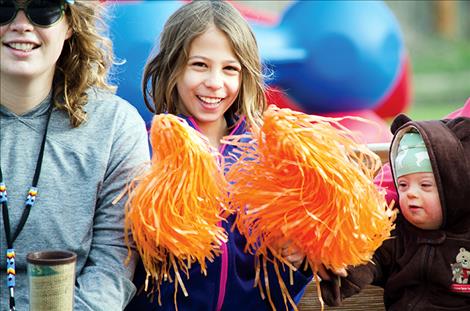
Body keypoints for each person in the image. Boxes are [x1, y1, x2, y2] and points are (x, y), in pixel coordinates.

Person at [125, 1, 312, 310]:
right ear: (172, 67)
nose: (214, 83)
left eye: (230, 69)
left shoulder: (265, 154)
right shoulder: (143, 148)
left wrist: (299, 260)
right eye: (199, 65)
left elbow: (281, 278)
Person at [0, 0, 149, 310]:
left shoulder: (115, 126)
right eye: (4, 7)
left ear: (70, 24)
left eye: (43, 8)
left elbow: (112, 268)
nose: (22, 24)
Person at [320, 114, 470, 310]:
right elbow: (366, 261)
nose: (411, 194)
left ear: (454, 188)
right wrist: (338, 273)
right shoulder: (396, 236)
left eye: (425, 185)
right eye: (403, 185)